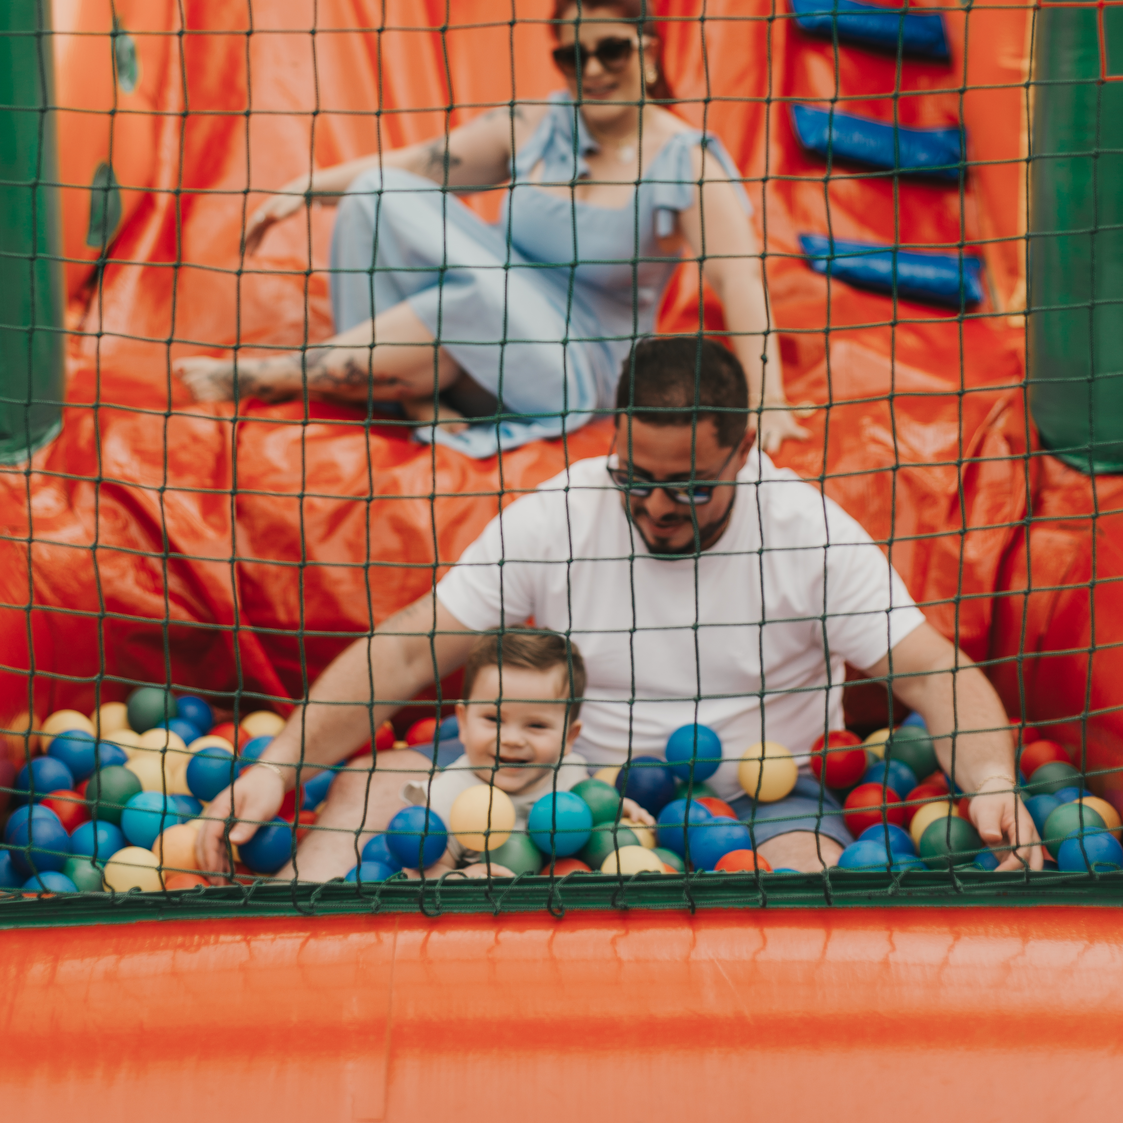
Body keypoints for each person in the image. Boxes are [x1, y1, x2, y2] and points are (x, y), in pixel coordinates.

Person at [197, 337, 1042, 877]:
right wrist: (277, 768)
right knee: (373, 783)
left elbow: (933, 671)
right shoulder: (560, 514)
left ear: (742, 454)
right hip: (538, 779)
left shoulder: (806, 532)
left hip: (755, 792)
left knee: (802, 875)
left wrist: (994, 782)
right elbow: (410, 651)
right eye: (636, 478)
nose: (657, 507)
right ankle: (299, 960)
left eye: (688, 488)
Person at [176, 0, 806, 457]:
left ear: (648, 51)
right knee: (376, 196)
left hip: (573, 367)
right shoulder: (534, 124)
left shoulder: (685, 161)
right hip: (487, 322)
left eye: (610, 49)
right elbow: (421, 163)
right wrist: (309, 185)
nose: (591, 70)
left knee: (473, 299)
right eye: (571, 55)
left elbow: (737, 278)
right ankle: (415, 393)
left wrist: (767, 397)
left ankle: (285, 374)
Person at [394, 630, 652, 877]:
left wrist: (616, 808)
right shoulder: (447, 800)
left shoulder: (568, 772)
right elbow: (421, 874)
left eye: (536, 725)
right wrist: (461, 878)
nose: (512, 740)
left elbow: (593, 810)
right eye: (494, 718)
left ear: (568, 738)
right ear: (463, 723)